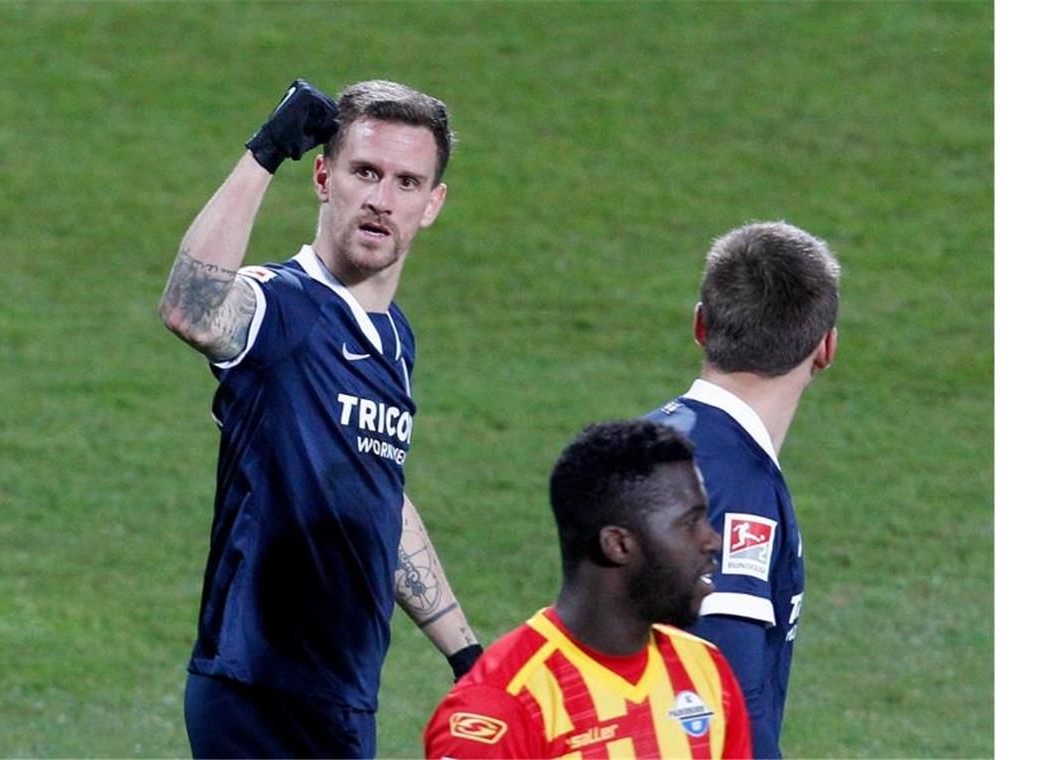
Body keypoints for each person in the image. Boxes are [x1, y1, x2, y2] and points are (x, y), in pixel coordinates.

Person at [158, 77, 482, 758]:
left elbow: (378, 501)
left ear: (432, 204)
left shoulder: (396, 340)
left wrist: (466, 654)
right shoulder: (283, 307)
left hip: (343, 698)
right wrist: (266, 151)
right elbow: (191, 307)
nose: (380, 199)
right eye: (365, 172)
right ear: (325, 176)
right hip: (256, 690)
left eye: (405, 182)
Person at [424, 420, 753, 759]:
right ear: (618, 545)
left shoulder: (705, 670)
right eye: (689, 523)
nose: (712, 540)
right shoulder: (501, 709)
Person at [644, 220, 841, 758]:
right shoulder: (739, 489)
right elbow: (727, 701)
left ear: (701, 325)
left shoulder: (635, 442)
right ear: (826, 348)